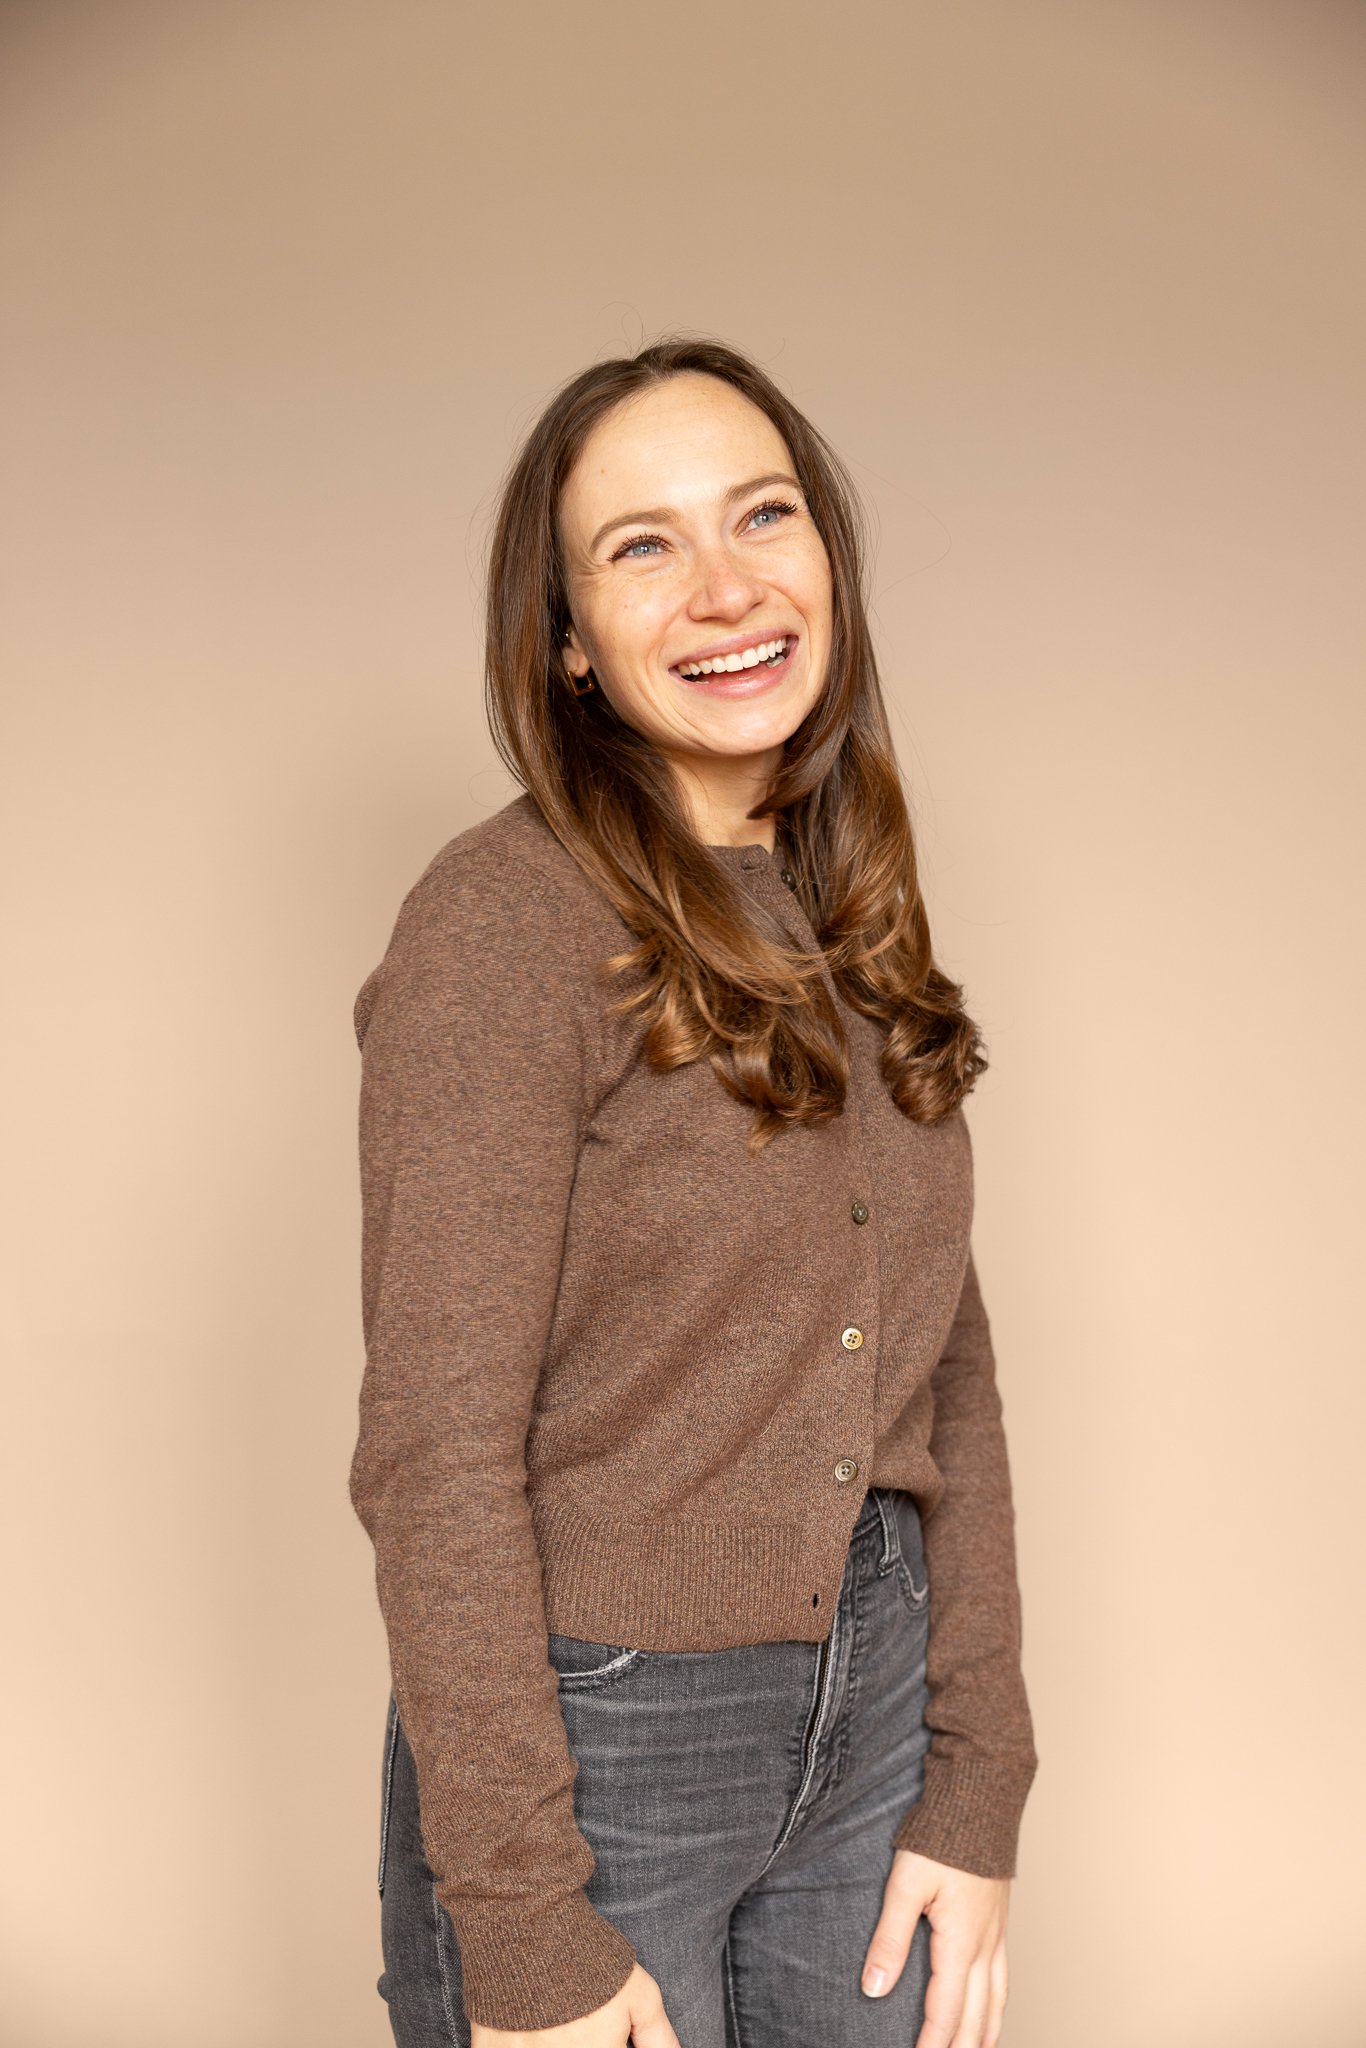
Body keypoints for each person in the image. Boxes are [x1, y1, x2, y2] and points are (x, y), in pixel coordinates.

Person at [349, 334, 1039, 2048]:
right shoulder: (495, 930)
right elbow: (433, 1458)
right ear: (570, 643)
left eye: (761, 515)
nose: (724, 585)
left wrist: (977, 1780)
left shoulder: (849, 908)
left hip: (870, 1715)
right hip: (601, 1742)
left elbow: (944, 1376)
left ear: (827, 561)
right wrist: (517, 1924)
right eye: (641, 546)